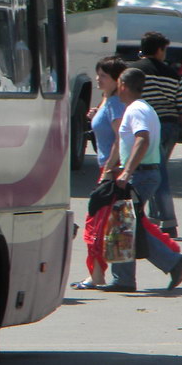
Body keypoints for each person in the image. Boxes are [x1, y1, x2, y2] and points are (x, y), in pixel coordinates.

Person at [100, 67, 182, 291]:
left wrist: (127, 172)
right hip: (142, 173)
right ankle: (127, 278)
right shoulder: (139, 108)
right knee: (129, 224)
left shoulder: (136, 110)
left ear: (123, 85)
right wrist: (111, 168)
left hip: (141, 174)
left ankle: (168, 263)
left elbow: (142, 139)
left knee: (124, 224)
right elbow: (122, 142)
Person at [128, 30, 182, 238]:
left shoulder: (134, 71)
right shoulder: (172, 74)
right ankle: (155, 218)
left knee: (155, 172)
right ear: (159, 50)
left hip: (145, 125)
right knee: (156, 171)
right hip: (169, 127)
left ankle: (166, 220)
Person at [71, 55, 127, 289]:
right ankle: (172, 258)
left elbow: (119, 138)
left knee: (97, 225)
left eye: (103, 76)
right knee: (111, 223)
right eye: (98, 74)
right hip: (107, 168)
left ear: (116, 80)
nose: (98, 79)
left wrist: (109, 170)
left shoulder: (114, 103)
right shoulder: (106, 100)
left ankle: (96, 276)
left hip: (110, 170)